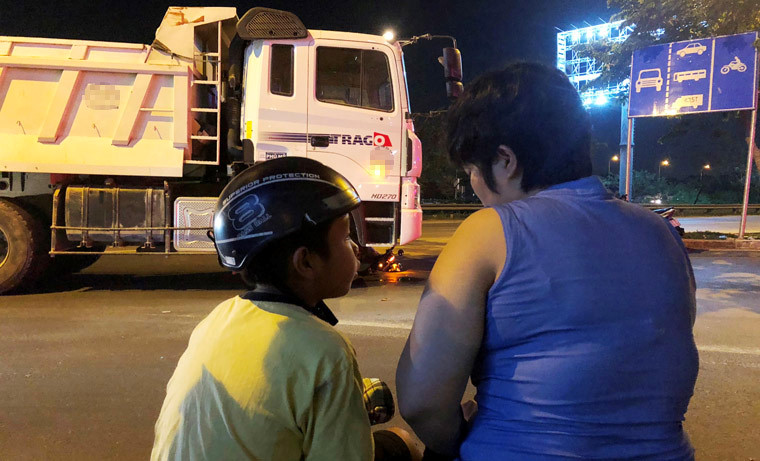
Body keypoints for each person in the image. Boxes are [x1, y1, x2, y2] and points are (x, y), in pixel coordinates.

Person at [396, 62, 699, 460]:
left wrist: (458, 442)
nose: (474, 186)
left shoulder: (490, 232)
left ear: (505, 160)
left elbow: (422, 402)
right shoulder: (661, 233)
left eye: (472, 170)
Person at [152, 157, 419, 461]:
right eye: (346, 237)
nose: (356, 248)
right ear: (305, 262)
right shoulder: (327, 352)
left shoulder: (216, 320)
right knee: (402, 443)